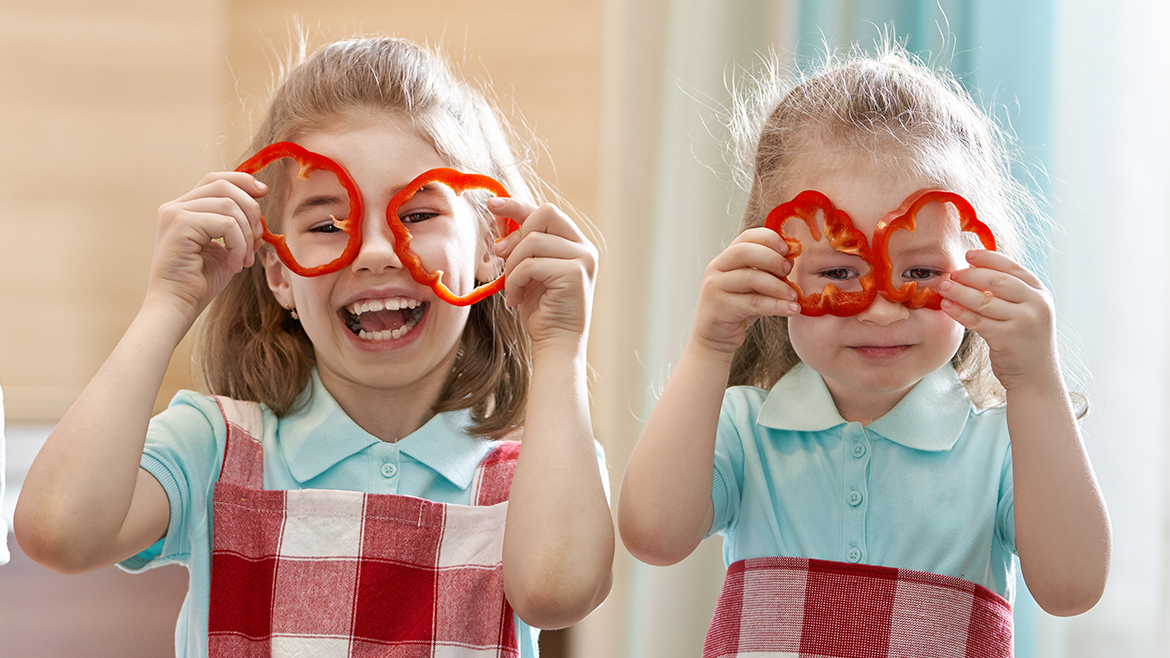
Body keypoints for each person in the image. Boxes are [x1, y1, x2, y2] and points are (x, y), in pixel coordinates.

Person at [15, 37, 613, 657]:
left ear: (493, 247)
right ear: (279, 273)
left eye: (416, 216)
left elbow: (558, 594)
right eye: (327, 226)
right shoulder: (216, 449)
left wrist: (561, 345)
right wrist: (167, 304)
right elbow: (58, 532)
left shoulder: (539, 472)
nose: (377, 251)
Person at [618, 46, 1110, 656]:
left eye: (922, 270)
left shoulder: (1004, 445)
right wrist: (708, 346)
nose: (881, 309)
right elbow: (652, 536)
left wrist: (1035, 380)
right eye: (840, 273)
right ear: (773, 267)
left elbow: (1073, 587)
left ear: (981, 266)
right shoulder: (745, 429)